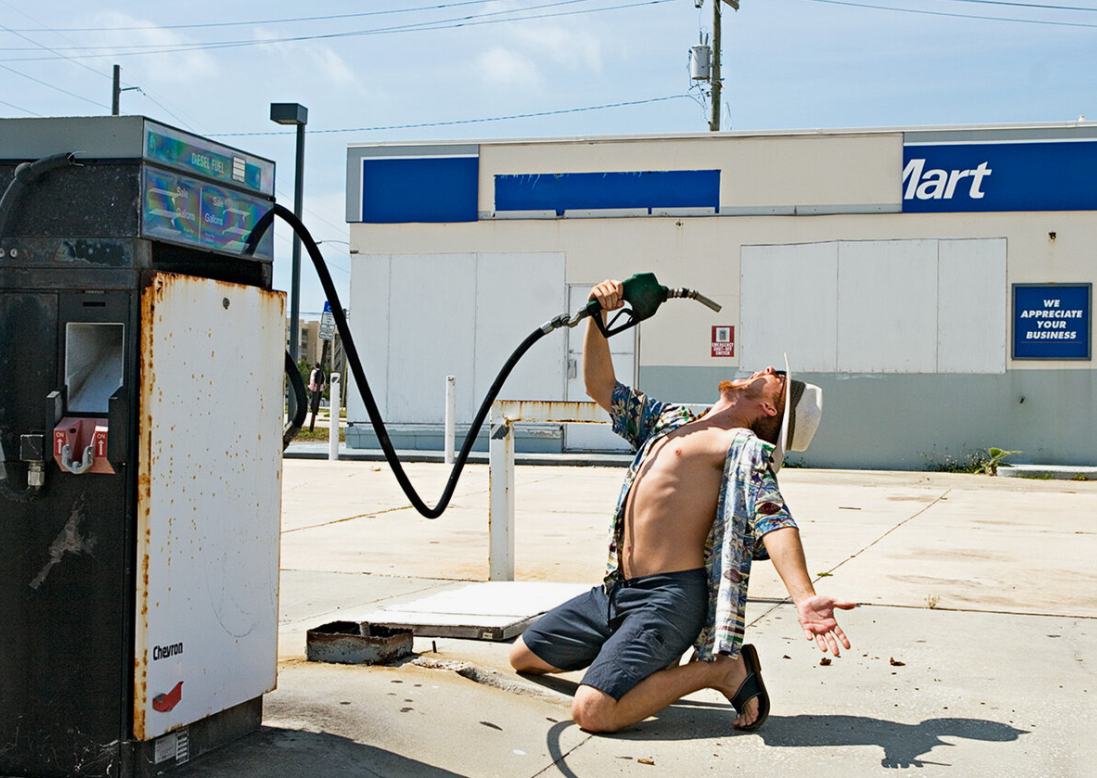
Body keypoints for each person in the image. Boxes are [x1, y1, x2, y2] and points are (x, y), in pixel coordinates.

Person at [509, 279, 855, 734]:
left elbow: (774, 520)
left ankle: (722, 670)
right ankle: (636, 653)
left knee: (593, 712)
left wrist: (804, 596)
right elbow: (601, 385)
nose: (767, 368)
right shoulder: (673, 421)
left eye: (777, 377)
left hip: (670, 598)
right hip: (619, 591)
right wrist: (598, 317)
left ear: (771, 407)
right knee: (522, 657)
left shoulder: (742, 447)